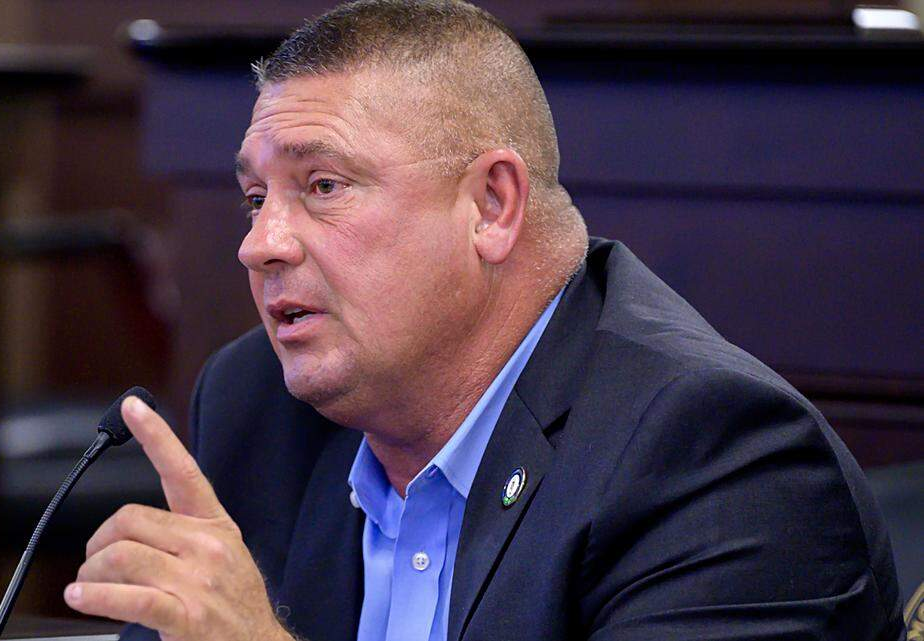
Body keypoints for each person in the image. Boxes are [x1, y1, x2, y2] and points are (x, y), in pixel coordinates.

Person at [63, 1, 906, 639]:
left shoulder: (716, 460)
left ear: (492, 205)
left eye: (323, 186)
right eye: (255, 198)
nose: (260, 244)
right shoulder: (257, 405)